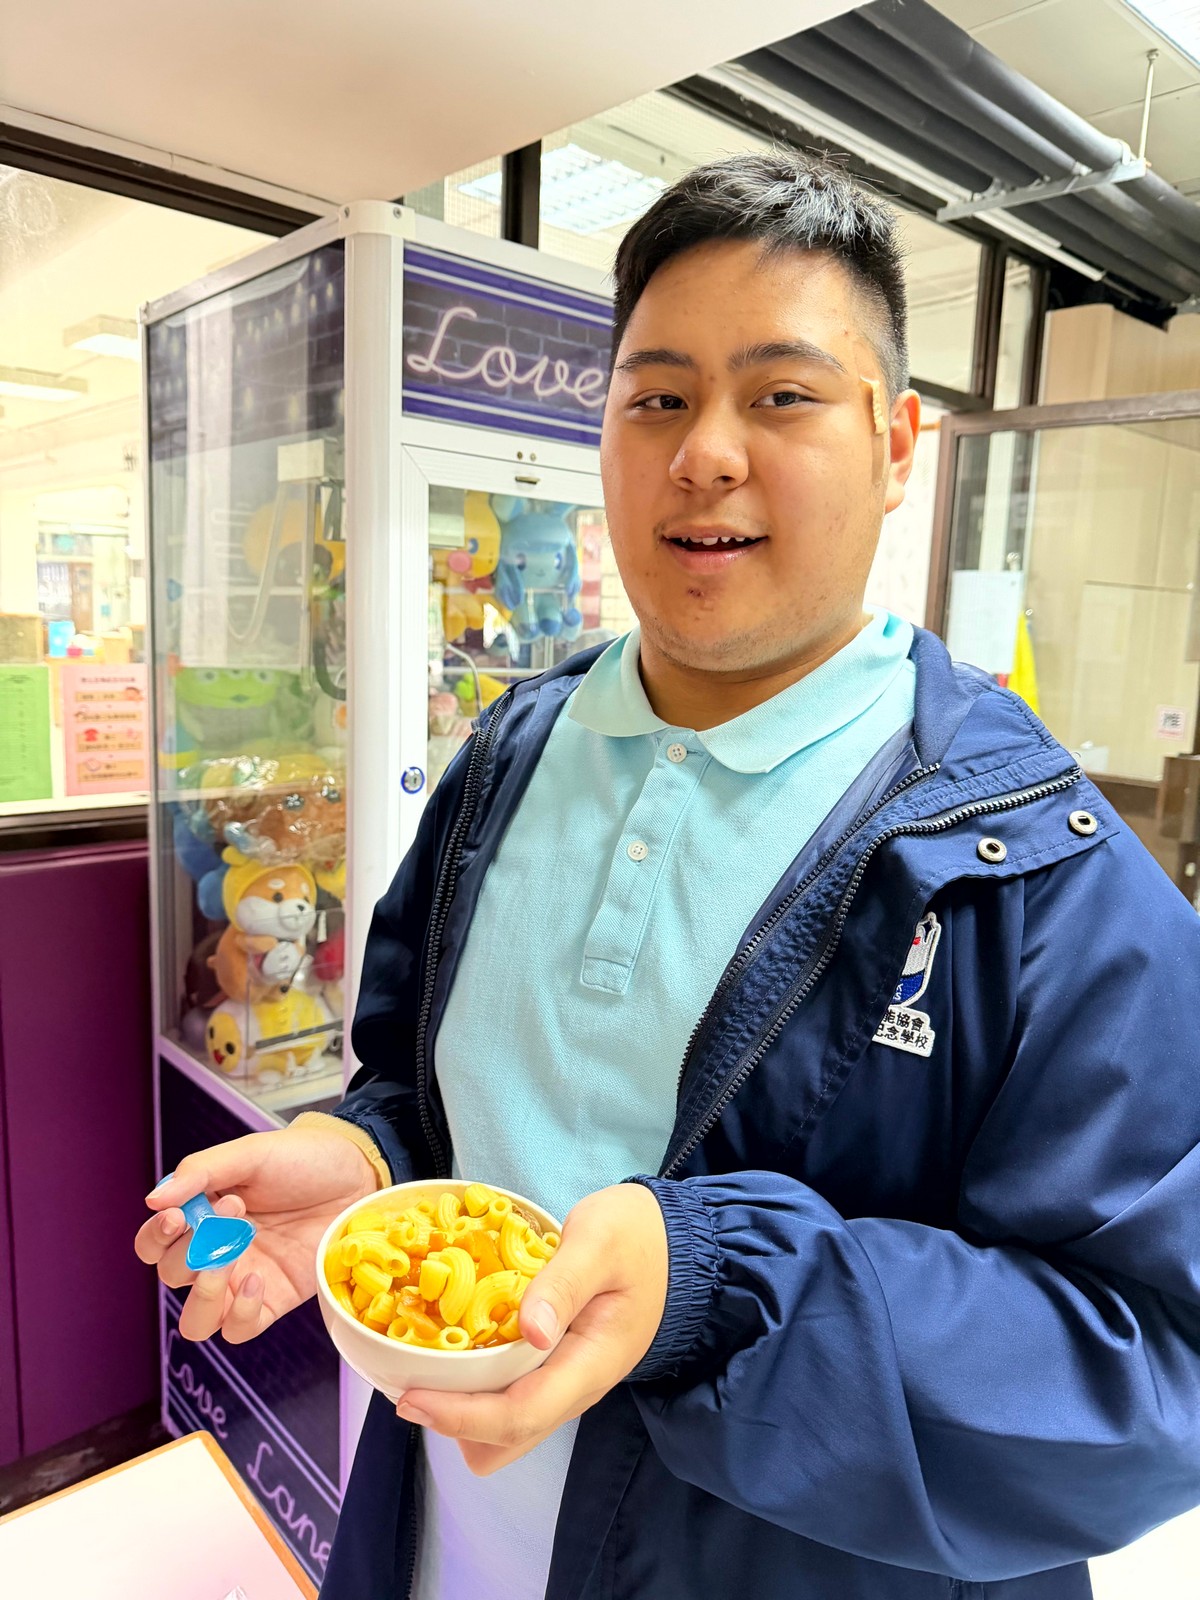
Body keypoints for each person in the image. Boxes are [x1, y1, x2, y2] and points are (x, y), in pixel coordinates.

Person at [137, 152, 1200, 1600]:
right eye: (657, 398)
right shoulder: (507, 757)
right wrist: (376, 1162)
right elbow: (443, 1095)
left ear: (897, 446)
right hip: (437, 1543)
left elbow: (1154, 1366)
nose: (706, 453)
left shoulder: (1036, 871)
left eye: (782, 395)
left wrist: (716, 1286)